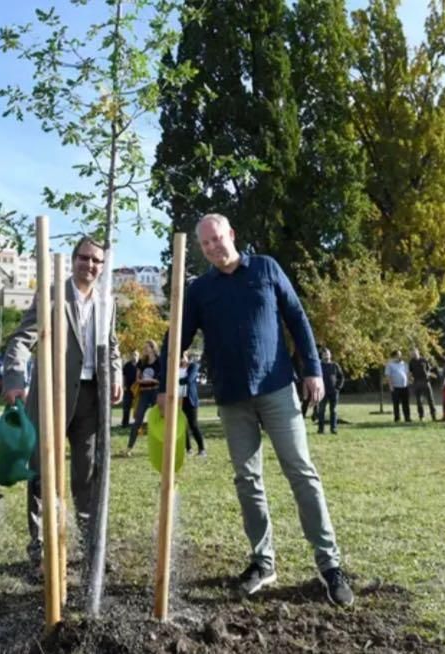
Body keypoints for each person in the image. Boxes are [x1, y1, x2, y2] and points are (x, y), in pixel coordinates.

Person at [156, 213, 353, 606]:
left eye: (217, 238)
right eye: (206, 244)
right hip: (232, 397)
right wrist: (164, 383)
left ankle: (330, 565)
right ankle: (263, 562)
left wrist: (312, 368)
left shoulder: (265, 268)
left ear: (232, 234)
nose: (213, 247)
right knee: (248, 481)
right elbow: (176, 335)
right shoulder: (200, 289)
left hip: (277, 388)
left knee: (301, 472)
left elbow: (297, 317)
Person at [1, 235, 123, 574]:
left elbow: (110, 345)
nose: (90, 265)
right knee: (42, 473)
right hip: (51, 396)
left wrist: (116, 374)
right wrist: (14, 379)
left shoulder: (107, 300)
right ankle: (41, 551)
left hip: (90, 398)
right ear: (73, 260)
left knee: (86, 475)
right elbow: (22, 339)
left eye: (97, 260)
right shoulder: (53, 294)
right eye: (84, 258)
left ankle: (89, 549)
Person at [125, 341, 161, 456]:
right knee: (137, 420)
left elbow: (160, 380)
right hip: (144, 393)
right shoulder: (142, 361)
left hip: (155, 392)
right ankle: (129, 448)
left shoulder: (160, 361)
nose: (144, 349)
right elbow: (138, 379)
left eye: (147, 347)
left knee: (158, 420)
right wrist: (149, 380)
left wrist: (149, 380)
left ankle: (160, 447)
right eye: (144, 347)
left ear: (153, 348)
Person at [179, 352, 206, 456]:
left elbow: (189, 380)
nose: (181, 359)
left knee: (193, 424)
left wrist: (177, 380)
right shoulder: (175, 367)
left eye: (183, 357)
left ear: (186, 357)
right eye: (179, 357)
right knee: (182, 425)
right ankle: (188, 449)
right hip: (178, 399)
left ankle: (202, 449)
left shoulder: (193, 366)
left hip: (190, 399)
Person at [316, 348, 344, 434]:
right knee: (321, 410)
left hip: (333, 392)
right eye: (324, 354)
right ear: (322, 355)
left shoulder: (335, 365)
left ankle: (333, 429)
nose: (326, 355)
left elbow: (341, 377)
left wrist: (338, 388)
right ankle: (321, 429)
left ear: (330, 355)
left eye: (328, 354)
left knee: (333, 410)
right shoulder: (319, 366)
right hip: (322, 392)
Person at [408, 348, 437, 421]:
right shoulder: (411, 362)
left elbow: (429, 370)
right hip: (417, 382)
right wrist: (410, 379)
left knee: (430, 400)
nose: (413, 354)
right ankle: (421, 416)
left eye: (414, 353)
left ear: (418, 352)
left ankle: (433, 415)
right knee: (419, 401)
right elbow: (410, 372)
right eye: (412, 353)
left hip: (426, 382)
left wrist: (429, 374)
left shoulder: (424, 360)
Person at [384, 350, 411, 423]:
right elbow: (388, 376)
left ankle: (407, 418)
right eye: (398, 355)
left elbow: (407, 374)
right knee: (396, 403)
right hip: (395, 387)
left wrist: (408, 382)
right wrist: (390, 385)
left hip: (404, 387)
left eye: (400, 355)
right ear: (394, 356)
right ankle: (397, 418)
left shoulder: (404, 364)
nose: (400, 356)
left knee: (406, 403)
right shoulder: (390, 364)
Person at [121, 351, 139, 428]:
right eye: (133, 355)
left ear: (138, 356)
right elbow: (123, 376)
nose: (134, 356)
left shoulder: (140, 365)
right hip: (128, 388)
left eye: (136, 355)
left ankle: (137, 424)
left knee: (138, 407)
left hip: (138, 389)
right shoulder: (127, 365)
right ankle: (125, 423)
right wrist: (123, 385)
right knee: (126, 406)